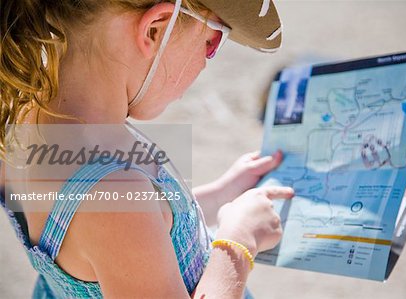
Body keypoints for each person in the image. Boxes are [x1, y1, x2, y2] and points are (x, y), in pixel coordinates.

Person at [0, 0, 293, 298]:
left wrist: (220, 195)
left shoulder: (24, 119)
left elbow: (134, 241)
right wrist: (238, 243)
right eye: (211, 42)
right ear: (155, 30)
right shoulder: (113, 194)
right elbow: (123, 227)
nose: (207, 60)